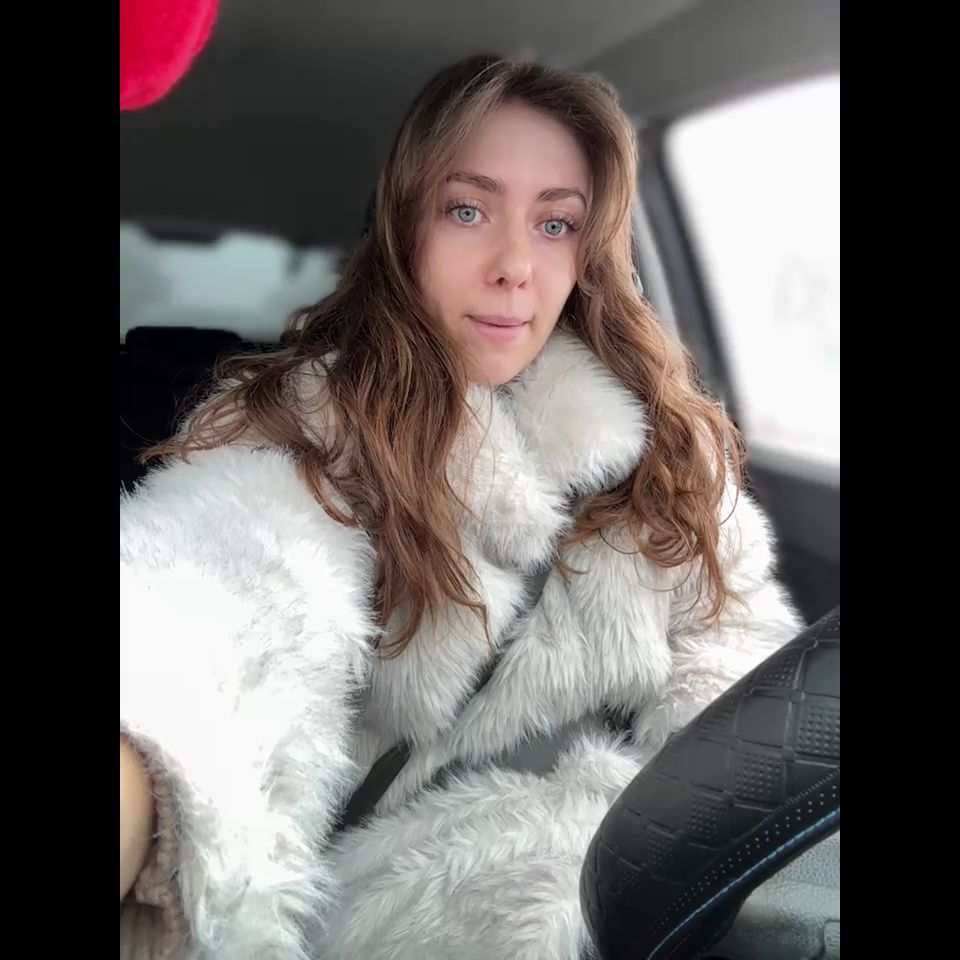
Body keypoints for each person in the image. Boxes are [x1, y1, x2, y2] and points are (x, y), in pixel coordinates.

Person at [120, 53, 802, 960]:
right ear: (404, 229)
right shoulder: (296, 431)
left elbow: (741, 653)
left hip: (651, 891)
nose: (515, 266)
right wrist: (147, 758)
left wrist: (690, 838)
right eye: (468, 210)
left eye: (555, 223)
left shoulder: (673, 447)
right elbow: (213, 605)